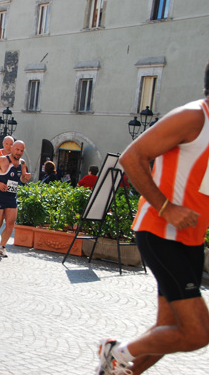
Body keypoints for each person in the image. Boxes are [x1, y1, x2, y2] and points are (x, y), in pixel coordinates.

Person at [96, 63, 209, 375]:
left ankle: (115, 369)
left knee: (170, 330)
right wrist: (166, 208)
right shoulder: (194, 116)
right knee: (198, 331)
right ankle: (116, 351)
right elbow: (132, 157)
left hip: (190, 239)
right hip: (161, 231)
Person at [0, 140, 31, 258]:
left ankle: (1, 247)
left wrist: (26, 178)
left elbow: (22, 180)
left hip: (11, 196)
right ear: (12, 148)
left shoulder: (22, 163)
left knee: (10, 223)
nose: (19, 152)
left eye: (21, 150)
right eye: (17, 150)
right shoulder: (2, 160)